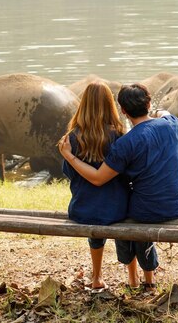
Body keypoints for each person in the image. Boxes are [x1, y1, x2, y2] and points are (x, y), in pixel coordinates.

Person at [59, 83, 178, 292]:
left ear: (123, 110)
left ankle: (139, 279)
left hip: (143, 210)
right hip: (177, 205)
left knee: (128, 220)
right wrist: (157, 111)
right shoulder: (171, 124)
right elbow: (166, 113)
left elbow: (98, 178)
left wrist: (69, 156)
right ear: (148, 103)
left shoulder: (125, 144)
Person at [61, 82, 155, 292]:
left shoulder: (72, 138)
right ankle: (136, 277)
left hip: (81, 210)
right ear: (110, 104)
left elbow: (68, 172)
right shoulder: (119, 136)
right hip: (116, 209)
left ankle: (96, 277)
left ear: (83, 105)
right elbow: (128, 173)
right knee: (124, 214)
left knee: (95, 209)